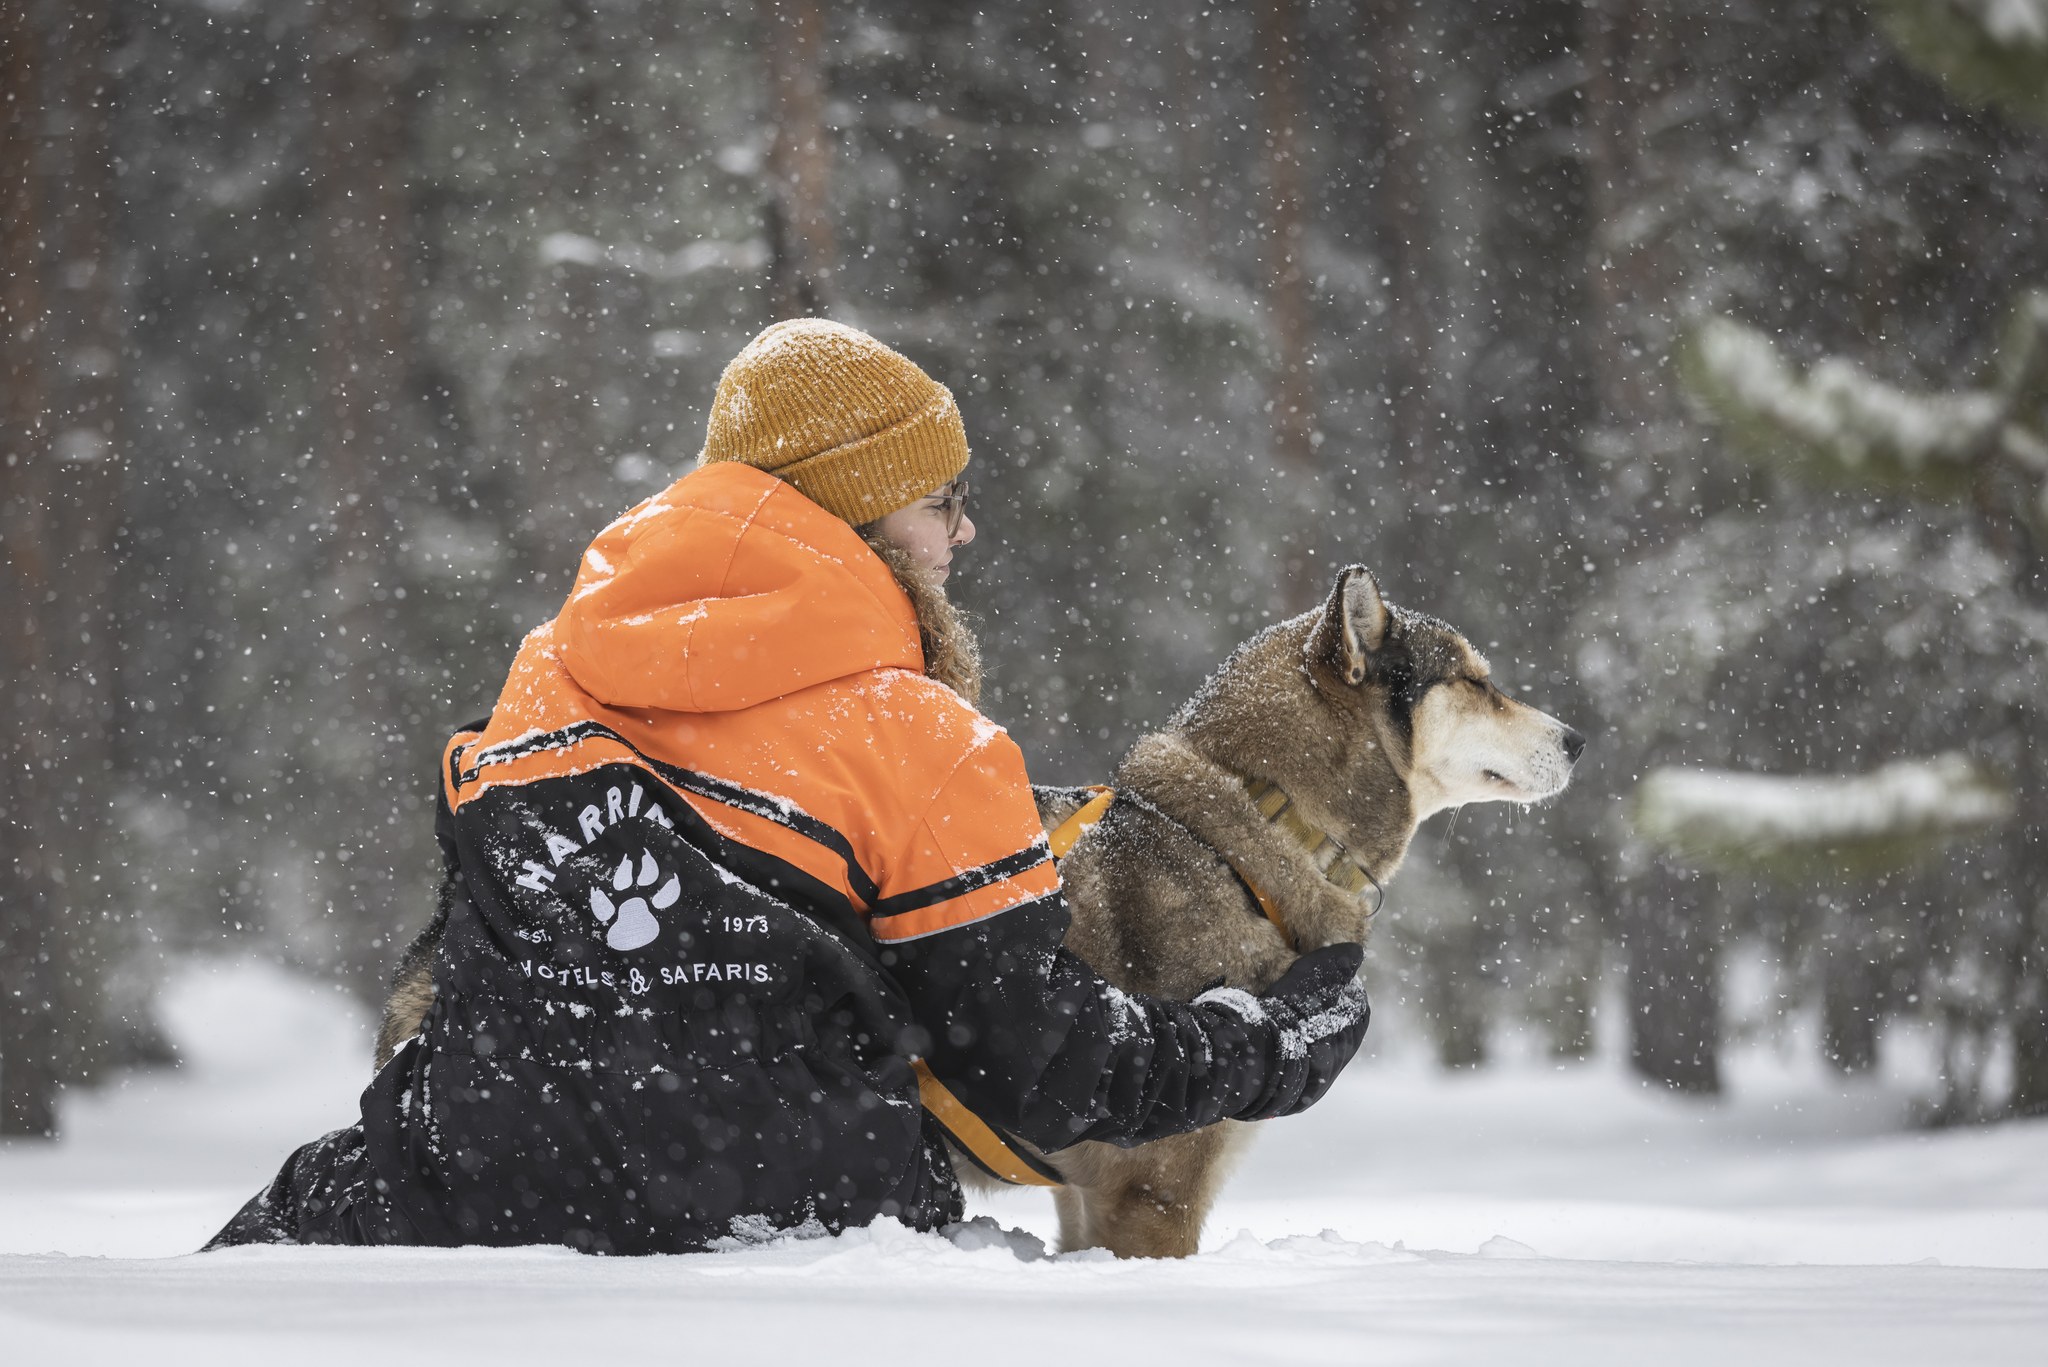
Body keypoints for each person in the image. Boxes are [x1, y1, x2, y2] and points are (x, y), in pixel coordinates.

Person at [206, 319, 1371, 1254]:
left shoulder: (542, 679)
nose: (962, 536)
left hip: (462, 1191)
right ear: (858, 515)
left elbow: (451, 974)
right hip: (795, 1227)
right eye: (940, 503)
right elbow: (1046, 1067)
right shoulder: (919, 734)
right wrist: (1266, 1040)